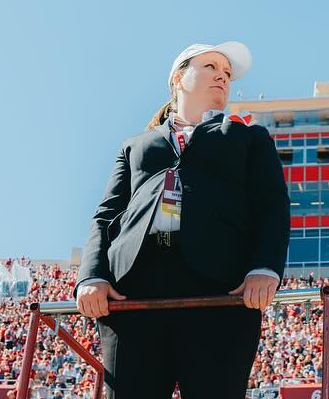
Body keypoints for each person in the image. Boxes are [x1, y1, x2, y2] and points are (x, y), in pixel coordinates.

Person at [74, 41, 290, 399]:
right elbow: (106, 215)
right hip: (132, 291)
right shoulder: (135, 145)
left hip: (220, 290)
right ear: (178, 78)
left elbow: (272, 206)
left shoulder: (248, 137)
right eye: (210, 67)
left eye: (227, 74)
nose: (222, 76)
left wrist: (265, 268)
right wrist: (92, 275)